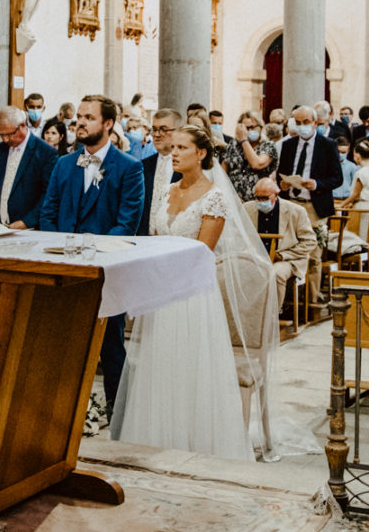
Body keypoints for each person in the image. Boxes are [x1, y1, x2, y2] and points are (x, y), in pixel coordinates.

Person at [114, 124, 268, 459]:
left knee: (188, 366)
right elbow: (155, 238)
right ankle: (155, 439)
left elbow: (201, 253)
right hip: (160, 294)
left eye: (182, 148)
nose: (174, 153)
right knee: (158, 365)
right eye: (173, 148)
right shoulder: (166, 192)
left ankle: (193, 442)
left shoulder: (214, 197)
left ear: (201, 153)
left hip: (191, 295)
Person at [38, 95, 147, 405]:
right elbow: (48, 213)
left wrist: (90, 257)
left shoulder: (129, 168)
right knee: (61, 346)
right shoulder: (63, 164)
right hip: (63, 269)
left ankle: (118, 413)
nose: (81, 123)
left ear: (108, 123)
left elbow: (126, 224)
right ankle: (64, 411)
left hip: (106, 272)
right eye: (80, 117)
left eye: (89, 117)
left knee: (110, 347)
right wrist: (62, 252)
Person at [246, 178, 320, 318]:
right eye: (257, 198)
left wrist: (282, 256)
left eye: (265, 198)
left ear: (276, 195)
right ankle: (248, 314)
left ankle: (273, 316)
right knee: (237, 270)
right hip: (256, 257)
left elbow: (310, 241)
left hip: (286, 259)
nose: (260, 202)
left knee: (276, 273)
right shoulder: (247, 209)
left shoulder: (296, 211)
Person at [0, 106, 52, 228]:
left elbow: (48, 194)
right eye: (1, 135)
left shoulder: (45, 152)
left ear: (22, 125)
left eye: (9, 134)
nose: (5, 139)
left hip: (28, 230)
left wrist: (26, 222)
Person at [278, 105, 344, 220]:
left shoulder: (328, 145)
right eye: (298, 123)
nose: (302, 126)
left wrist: (317, 184)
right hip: (291, 203)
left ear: (315, 122)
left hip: (315, 205)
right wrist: (282, 183)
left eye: (306, 122)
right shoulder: (288, 145)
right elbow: (281, 172)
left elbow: (337, 178)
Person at [235, 111, 279, 189]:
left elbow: (257, 164)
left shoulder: (268, 146)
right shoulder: (235, 145)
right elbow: (224, 171)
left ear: (260, 127)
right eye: (246, 128)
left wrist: (244, 140)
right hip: (235, 195)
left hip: (261, 194)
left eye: (252, 127)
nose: (249, 131)